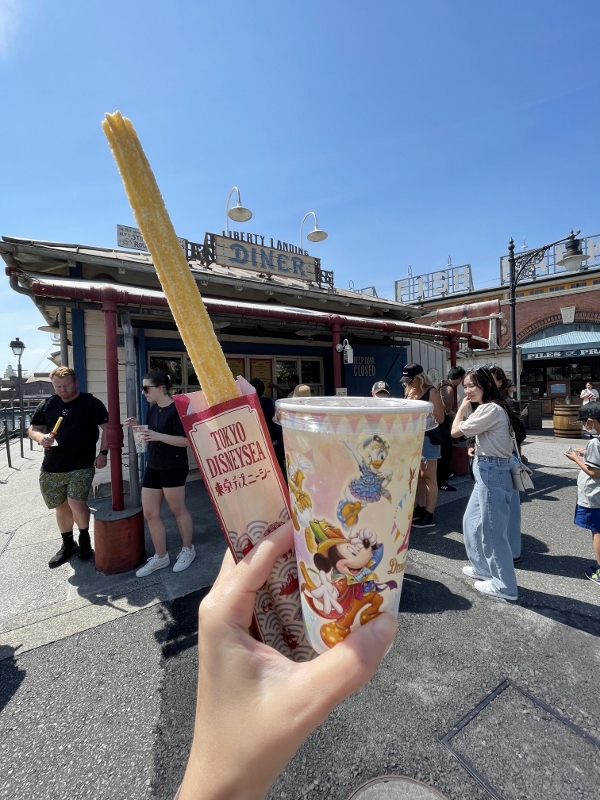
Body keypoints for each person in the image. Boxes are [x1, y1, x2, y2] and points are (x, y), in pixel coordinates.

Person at [176, 520, 397, 800]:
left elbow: (371, 555)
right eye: (348, 550)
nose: (353, 551)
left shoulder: (352, 569)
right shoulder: (339, 577)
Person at [451, 367, 521, 601]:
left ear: (486, 385)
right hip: (488, 468)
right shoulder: (491, 408)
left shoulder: (490, 409)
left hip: (493, 471)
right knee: (471, 521)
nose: (468, 390)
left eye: (472, 385)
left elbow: (454, 432)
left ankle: (505, 586)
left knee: (493, 532)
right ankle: (482, 568)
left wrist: (461, 407)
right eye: (466, 386)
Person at [28, 366, 109, 567]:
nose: (62, 389)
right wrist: (41, 438)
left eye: (65, 385)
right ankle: (68, 544)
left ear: (75, 383)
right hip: (52, 464)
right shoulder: (48, 404)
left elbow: (108, 429)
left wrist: (103, 453)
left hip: (82, 463)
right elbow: (33, 428)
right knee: (60, 506)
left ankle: (84, 541)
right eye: (58, 386)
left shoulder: (90, 403)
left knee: (77, 502)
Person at [124, 371, 196, 577]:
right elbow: (150, 436)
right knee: (150, 513)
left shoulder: (177, 409)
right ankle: (161, 556)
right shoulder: (152, 410)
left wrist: (158, 436)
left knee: (177, 509)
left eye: (146, 388)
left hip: (173, 465)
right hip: (153, 464)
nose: (143, 392)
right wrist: (137, 426)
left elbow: (186, 441)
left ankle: (188, 549)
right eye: (142, 388)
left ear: (161, 388)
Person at [489, 366, 526, 563]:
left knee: (509, 510)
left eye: (492, 379)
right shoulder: (483, 404)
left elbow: (520, 434)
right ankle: (500, 551)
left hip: (506, 459)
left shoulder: (509, 403)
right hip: (488, 461)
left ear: (501, 381)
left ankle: (512, 552)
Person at [401, 363, 445, 528]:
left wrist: (422, 420)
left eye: (411, 380)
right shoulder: (409, 392)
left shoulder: (431, 391)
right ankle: (421, 507)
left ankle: (429, 513)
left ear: (419, 378)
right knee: (417, 475)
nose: (408, 383)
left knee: (429, 476)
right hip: (412, 438)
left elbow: (440, 419)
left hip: (428, 438)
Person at [564, 402, 600, 586]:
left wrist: (576, 458)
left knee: (597, 531)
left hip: (596, 495)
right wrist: (586, 452)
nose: (585, 426)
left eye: (585, 422)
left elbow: (594, 472)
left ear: (592, 421)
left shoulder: (595, 441)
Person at [437, 366, 466, 492]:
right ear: (459, 378)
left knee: (445, 453)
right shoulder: (448, 389)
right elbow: (447, 411)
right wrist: (463, 420)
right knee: (446, 452)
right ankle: (441, 481)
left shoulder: (443, 384)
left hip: (441, 424)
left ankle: (446, 473)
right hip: (442, 425)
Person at [249, 378, 285, 476]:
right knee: (276, 461)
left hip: (254, 439)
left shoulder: (246, 404)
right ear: (263, 390)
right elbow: (275, 420)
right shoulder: (270, 402)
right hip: (271, 437)